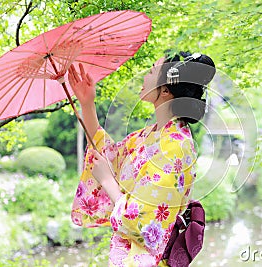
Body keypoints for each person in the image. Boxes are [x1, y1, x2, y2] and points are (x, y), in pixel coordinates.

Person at [69, 51, 216, 267]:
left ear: (165, 90)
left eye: (151, 72)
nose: (144, 77)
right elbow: (111, 157)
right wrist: (87, 103)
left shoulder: (175, 147)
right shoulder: (153, 135)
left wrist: (108, 181)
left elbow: (145, 222)